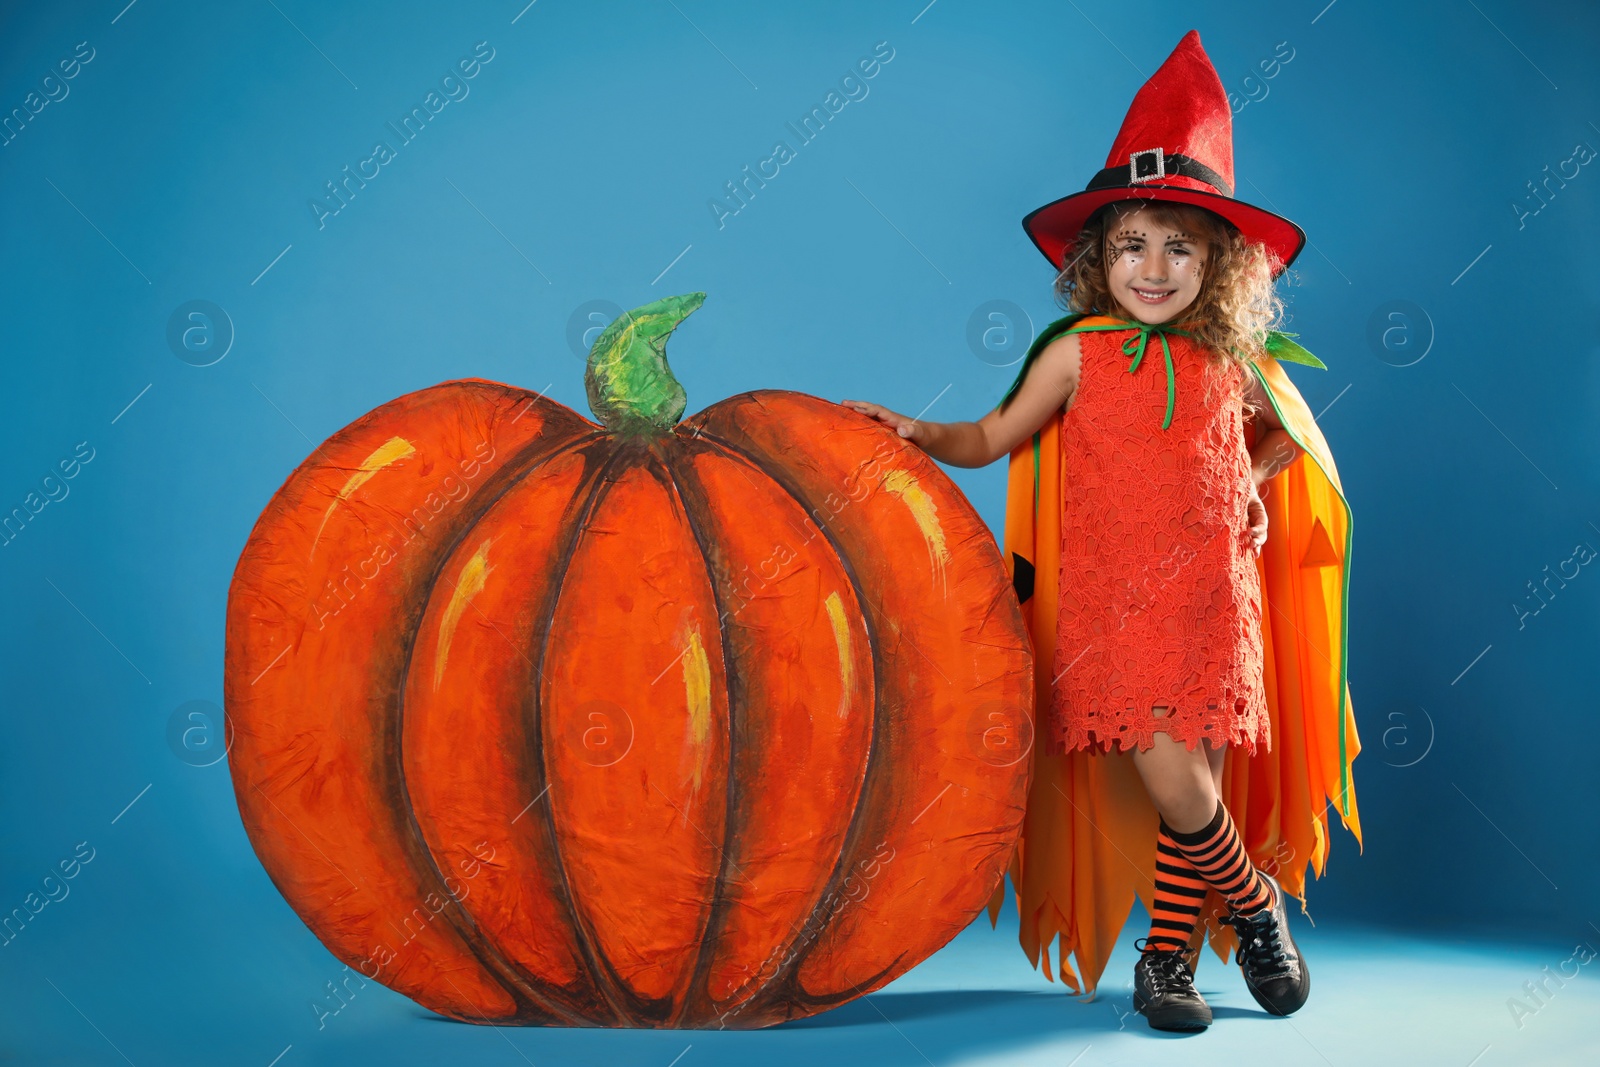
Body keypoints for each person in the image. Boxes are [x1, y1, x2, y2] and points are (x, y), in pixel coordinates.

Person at [841, 29, 1360, 1033]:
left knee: (1190, 776)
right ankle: (1255, 906)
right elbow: (991, 434)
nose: (1154, 267)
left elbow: (1292, 439)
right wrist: (919, 430)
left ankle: (1163, 963)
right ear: (1099, 256)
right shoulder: (1077, 354)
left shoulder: (1228, 357)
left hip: (1213, 593)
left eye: (1180, 246)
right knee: (1165, 760)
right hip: (1115, 601)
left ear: (1220, 265)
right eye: (1133, 244)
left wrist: (1245, 479)